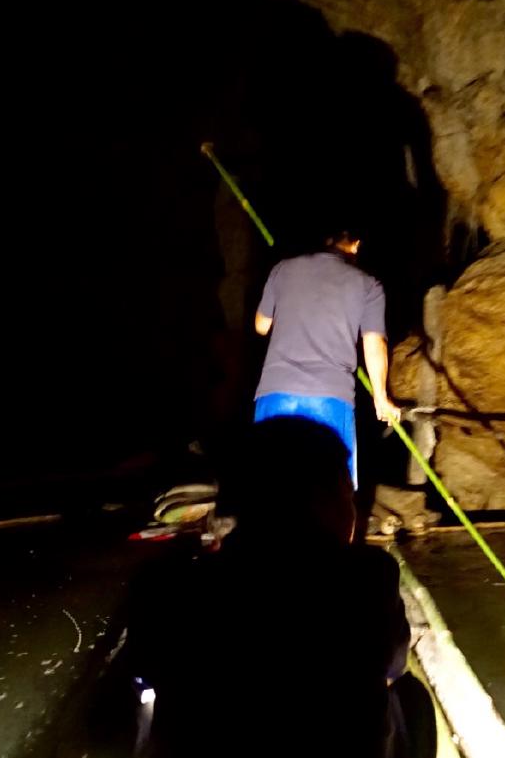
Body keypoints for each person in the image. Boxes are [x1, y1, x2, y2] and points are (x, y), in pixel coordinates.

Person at [133, 417, 413, 757]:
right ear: (325, 500)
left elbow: (147, 669)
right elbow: (394, 665)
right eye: (347, 494)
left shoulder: (176, 581)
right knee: (410, 701)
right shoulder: (369, 574)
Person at [253, 229, 400, 487]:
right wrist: (381, 398)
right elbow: (374, 342)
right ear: (354, 244)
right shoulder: (367, 284)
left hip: (275, 395)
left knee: (270, 488)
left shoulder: (282, 270)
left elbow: (261, 326)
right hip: (329, 398)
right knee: (332, 492)